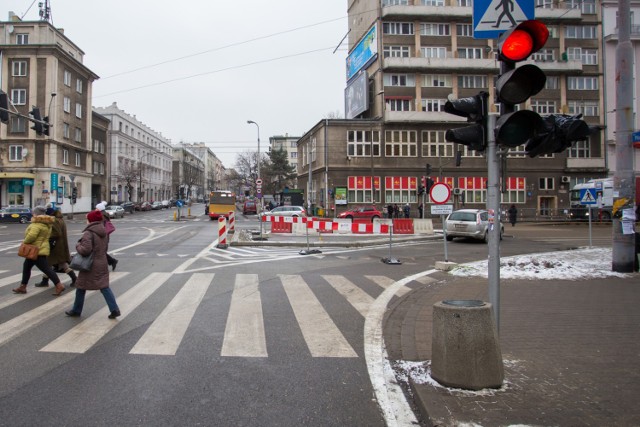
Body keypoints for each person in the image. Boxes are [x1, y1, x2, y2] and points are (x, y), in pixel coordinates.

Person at [65, 210, 121, 319]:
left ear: (90, 220)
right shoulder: (103, 231)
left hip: (90, 265)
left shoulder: (89, 232)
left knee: (81, 287)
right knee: (104, 287)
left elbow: (86, 250)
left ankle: (76, 310)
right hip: (102, 262)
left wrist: (78, 246)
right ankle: (114, 309)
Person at [12, 206, 65, 296]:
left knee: (46, 269)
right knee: (27, 267)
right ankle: (23, 286)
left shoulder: (37, 224)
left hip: (36, 250)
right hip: (39, 249)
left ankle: (59, 285)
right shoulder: (46, 223)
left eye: (33, 212)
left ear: (36, 214)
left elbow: (31, 236)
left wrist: (24, 242)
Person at [36, 208, 77, 288]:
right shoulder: (60, 219)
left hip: (55, 246)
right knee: (59, 263)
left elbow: (56, 233)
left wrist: (47, 236)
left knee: (49, 264)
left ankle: (74, 279)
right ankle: (45, 280)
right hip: (60, 245)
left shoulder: (54, 220)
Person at [96, 202, 118, 270]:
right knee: (101, 252)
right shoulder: (104, 214)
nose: (95, 209)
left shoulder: (101, 216)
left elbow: (100, 227)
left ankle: (111, 262)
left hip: (102, 236)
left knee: (100, 252)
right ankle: (112, 261)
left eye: (96, 208)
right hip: (104, 236)